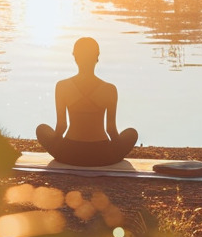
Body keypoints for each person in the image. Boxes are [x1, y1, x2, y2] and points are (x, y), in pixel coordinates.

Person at [36, 37, 138, 166]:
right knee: (131, 133)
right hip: (102, 156)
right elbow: (111, 129)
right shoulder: (110, 89)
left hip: (69, 154)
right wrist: (116, 150)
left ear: (75, 58)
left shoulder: (62, 86)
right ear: (97, 58)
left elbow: (62, 126)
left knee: (42, 129)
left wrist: (57, 147)